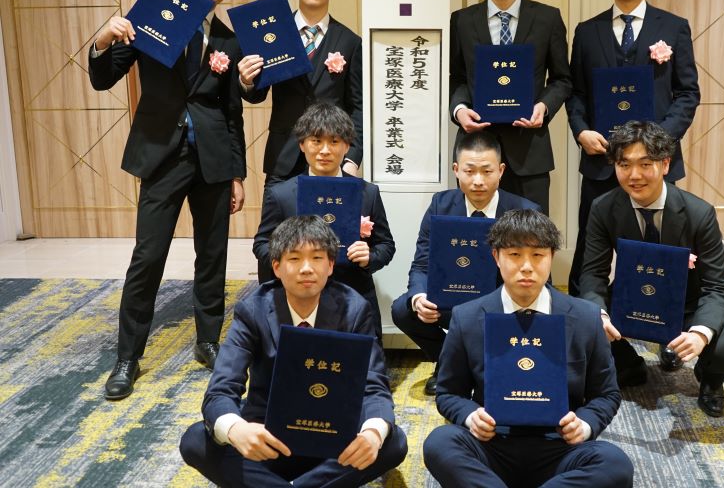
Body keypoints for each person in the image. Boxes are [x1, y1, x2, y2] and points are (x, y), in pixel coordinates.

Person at [88, 0, 246, 400]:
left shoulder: (228, 40)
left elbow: (232, 112)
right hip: (162, 154)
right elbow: (103, 77)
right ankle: (127, 357)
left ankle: (208, 341)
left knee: (212, 254)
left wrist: (237, 174)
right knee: (148, 255)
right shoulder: (153, 18)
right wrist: (103, 38)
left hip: (213, 160)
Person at [179, 215, 407, 487]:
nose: (306, 269)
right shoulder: (253, 310)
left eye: (317, 258)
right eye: (295, 259)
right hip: (268, 439)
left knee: (391, 440)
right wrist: (237, 429)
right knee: (196, 439)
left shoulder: (354, 309)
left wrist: (371, 434)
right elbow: (221, 389)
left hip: (333, 437)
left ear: (330, 265)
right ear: (276, 267)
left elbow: (374, 386)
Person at [423, 209, 633, 488]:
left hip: (560, 446)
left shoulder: (585, 317)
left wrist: (584, 424)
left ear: (551, 257)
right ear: (496, 257)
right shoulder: (467, 317)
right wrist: (471, 417)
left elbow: (606, 394)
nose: (526, 266)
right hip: (492, 443)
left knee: (615, 463)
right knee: (440, 442)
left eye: (537, 255)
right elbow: (449, 393)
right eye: (514, 254)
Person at [580, 120, 724, 417]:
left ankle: (710, 381)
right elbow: (593, 274)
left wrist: (700, 334)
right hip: (633, 297)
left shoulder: (699, 213)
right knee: (582, 321)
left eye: (645, 164)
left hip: (690, 300)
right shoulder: (603, 208)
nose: (634, 175)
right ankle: (629, 366)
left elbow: (716, 286)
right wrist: (600, 316)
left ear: (665, 164)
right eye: (624, 164)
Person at [566, 0, 700, 298]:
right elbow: (577, 94)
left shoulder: (673, 27)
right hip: (601, 159)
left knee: (660, 247)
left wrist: (659, 143)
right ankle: (585, 316)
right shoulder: (587, 32)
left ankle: (662, 318)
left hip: (656, 162)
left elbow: (688, 93)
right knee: (590, 243)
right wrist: (581, 131)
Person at [391, 131, 541, 395]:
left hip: (502, 305)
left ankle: (483, 365)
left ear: (501, 171)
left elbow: (539, 277)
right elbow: (422, 264)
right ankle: (449, 361)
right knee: (403, 310)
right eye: (470, 171)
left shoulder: (524, 212)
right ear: (456, 170)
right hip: (452, 302)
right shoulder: (440, 205)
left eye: (487, 171)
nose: (478, 181)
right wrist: (419, 297)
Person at [449, 0, 571, 215]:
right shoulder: (462, 21)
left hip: (530, 153)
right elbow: (457, 78)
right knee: (475, 234)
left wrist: (544, 107)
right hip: (477, 153)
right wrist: (459, 110)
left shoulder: (547, 18)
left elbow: (562, 79)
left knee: (530, 234)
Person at [252, 102, 395, 336]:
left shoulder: (367, 193)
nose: (325, 150)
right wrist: (289, 259)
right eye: (316, 141)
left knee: (362, 358)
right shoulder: (281, 195)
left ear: (347, 146)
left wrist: (369, 256)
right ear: (302, 144)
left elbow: (386, 245)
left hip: (353, 293)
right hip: (297, 295)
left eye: (334, 142)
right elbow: (261, 244)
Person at [238, 0, 362, 187]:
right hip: (282, 156)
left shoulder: (350, 42)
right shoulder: (273, 33)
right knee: (275, 214)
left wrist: (352, 158)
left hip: (330, 159)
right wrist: (246, 81)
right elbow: (257, 95)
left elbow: (357, 106)